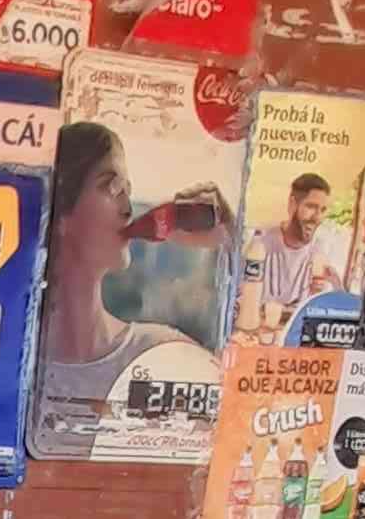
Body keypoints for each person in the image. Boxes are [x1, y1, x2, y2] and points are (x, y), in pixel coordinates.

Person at [33, 120, 225, 449]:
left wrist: (229, 244)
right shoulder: (13, 360)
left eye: (128, 190)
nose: (128, 210)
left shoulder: (161, 351)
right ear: (59, 212)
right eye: (112, 188)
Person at [239, 168, 342, 335]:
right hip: (257, 337)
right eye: (311, 207)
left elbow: (321, 316)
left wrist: (328, 290)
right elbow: (243, 307)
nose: (317, 217)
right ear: (292, 204)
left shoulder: (319, 251)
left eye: (323, 210)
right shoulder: (261, 244)